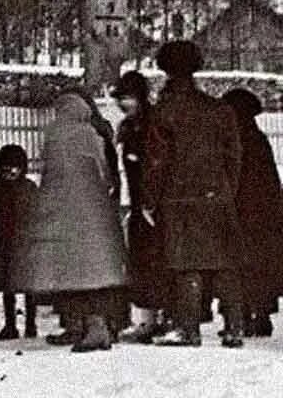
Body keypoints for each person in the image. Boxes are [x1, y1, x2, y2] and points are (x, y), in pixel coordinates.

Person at [144, 40, 245, 348]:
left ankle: (188, 328)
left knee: (185, 263)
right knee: (223, 262)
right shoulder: (220, 110)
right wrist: (226, 189)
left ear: (165, 70)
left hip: (178, 197)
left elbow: (156, 162)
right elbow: (234, 156)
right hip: (218, 195)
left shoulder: (163, 111)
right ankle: (234, 326)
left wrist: (150, 199)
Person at [13, 93, 130, 353]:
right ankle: (93, 326)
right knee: (91, 272)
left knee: (68, 272)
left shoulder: (54, 134)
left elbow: (48, 174)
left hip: (62, 214)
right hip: (93, 213)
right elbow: (105, 174)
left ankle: (83, 326)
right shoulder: (92, 134)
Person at [112, 70, 168, 343]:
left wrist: (149, 202)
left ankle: (157, 318)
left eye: (129, 98)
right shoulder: (130, 126)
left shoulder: (149, 125)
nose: (124, 104)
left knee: (154, 260)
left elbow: (155, 166)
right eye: (121, 99)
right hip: (137, 202)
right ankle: (147, 318)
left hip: (151, 203)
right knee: (142, 261)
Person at [222, 88, 283, 337]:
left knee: (239, 264)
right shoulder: (258, 139)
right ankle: (262, 314)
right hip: (264, 214)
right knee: (262, 266)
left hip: (240, 212)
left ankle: (243, 314)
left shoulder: (233, 141)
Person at [0, 143, 38, 340]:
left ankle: (30, 325)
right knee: (9, 287)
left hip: (22, 241)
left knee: (26, 287)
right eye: (5, 168)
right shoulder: (4, 187)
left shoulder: (28, 187)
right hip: (7, 240)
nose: (9, 172)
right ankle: (11, 325)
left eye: (13, 168)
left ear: (22, 168)